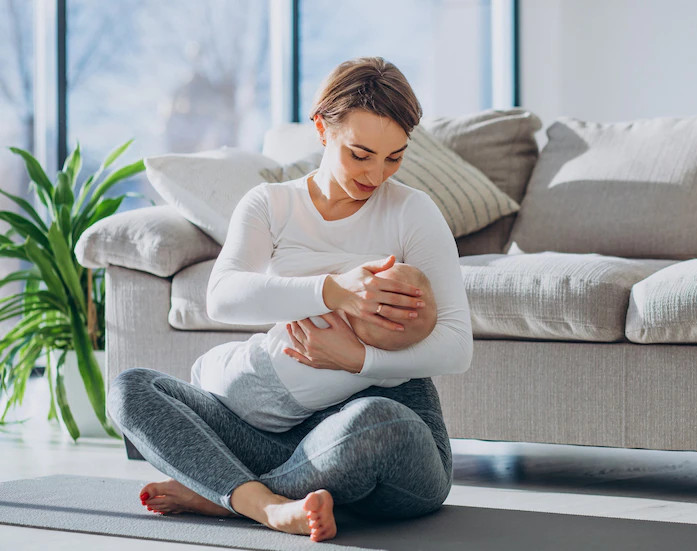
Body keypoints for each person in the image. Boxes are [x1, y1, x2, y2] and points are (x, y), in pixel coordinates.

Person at [106, 56, 472, 543]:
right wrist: (333, 290)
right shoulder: (272, 204)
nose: (377, 175)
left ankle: (229, 496)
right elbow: (223, 296)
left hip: (382, 440)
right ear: (322, 129)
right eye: (360, 154)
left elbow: (456, 345)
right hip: (276, 435)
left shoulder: (413, 212)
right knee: (129, 389)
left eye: (394, 157)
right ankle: (272, 505)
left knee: (376, 423)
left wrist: (358, 359)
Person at [191, 255, 439, 433]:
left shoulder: (325, 312)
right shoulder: (383, 373)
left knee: (201, 368)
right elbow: (405, 372)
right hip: (277, 421)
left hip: (249, 369)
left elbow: (288, 293)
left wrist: (339, 287)